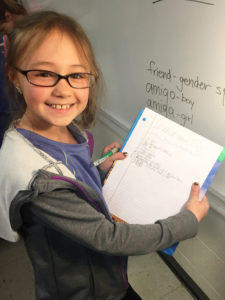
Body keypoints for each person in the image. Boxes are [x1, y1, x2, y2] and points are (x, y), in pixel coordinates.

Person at [0, 11, 209, 300]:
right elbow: (108, 238)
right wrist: (186, 222)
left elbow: (74, 182)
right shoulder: (38, 182)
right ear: (15, 78)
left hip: (107, 278)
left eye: (76, 75)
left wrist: (100, 170)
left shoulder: (65, 130)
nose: (63, 89)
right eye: (44, 73)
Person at [0, 0, 27, 146]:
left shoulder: (29, 32)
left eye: (3, 29)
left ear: (8, 16)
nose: (4, 33)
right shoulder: (10, 36)